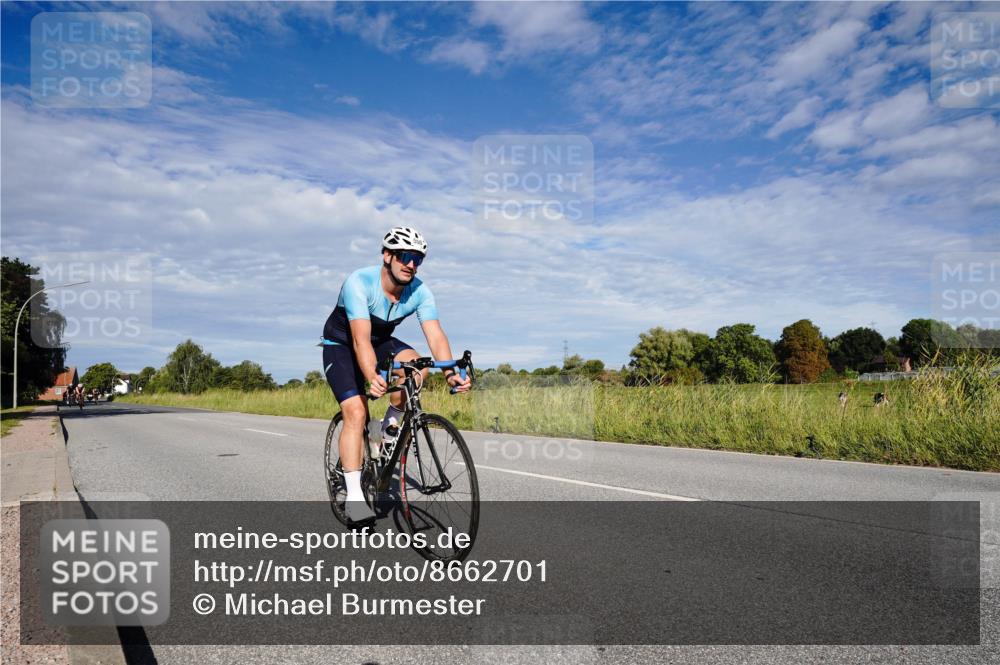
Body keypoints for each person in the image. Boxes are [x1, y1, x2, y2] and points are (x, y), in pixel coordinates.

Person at [322, 226, 470, 524]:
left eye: (418, 258)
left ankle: (388, 429)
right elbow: (360, 340)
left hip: (379, 342)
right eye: (405, 256)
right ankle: (353, 497)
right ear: (387, 256)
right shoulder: (359, 283)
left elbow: (435, 335)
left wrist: (451, 373)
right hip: (341, 344)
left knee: (419, 365)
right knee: (356, 412)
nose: (411, 264)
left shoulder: (420, 290)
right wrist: (370, 376)